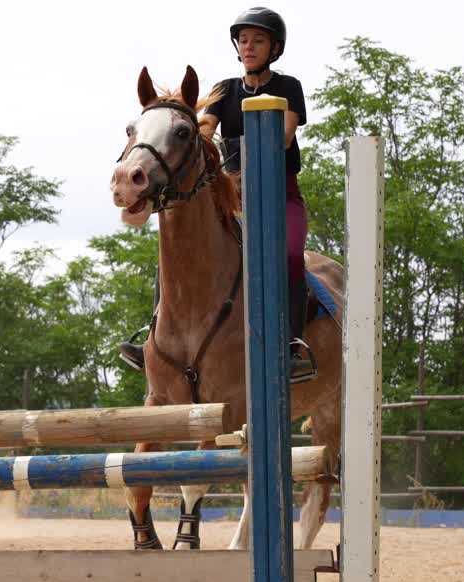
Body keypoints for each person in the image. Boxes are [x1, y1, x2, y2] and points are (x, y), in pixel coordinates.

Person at [118, 6, 316, 383]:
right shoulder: (225, 90)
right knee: (180, 254)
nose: (249, 47)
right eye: (243, 41)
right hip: (234, 195)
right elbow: (204, 130)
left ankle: (291, 347)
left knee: (289, 254)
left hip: (280, 195)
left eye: (257, 41)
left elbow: (284, 136)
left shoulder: (288, 88)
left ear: (274, 49)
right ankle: (152, 335)